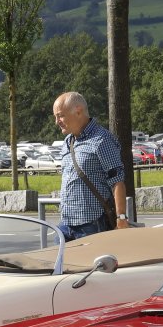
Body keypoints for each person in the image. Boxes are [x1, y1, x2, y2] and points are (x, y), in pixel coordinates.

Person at [53, 91, 128, 238]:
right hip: (66, 223)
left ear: (78, 111)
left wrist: (121, 218)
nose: (57, 121)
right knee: (57, 253)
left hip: (92, 224)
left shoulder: (102, 139)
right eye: (55, 117)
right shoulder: (68, 141)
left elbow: (117, 181)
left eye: (60, 115)